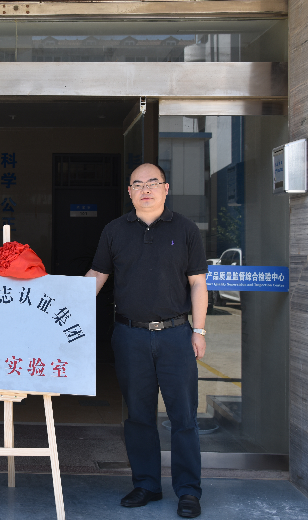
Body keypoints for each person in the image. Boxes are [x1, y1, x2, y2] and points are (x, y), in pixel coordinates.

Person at [86, 163, 208, 519]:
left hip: (176, 335)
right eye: (137, 184)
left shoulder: (185, 229)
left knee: (183, 416)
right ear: (129, 192)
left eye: (152, 182)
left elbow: (198, 283)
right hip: (130, 335)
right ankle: (147, 484)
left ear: (165, 188)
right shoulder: (114, 231)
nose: (146, 189)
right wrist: (60, 303)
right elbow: (97, 276)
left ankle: (188, 490)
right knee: (138, 416)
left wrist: (199, 331)